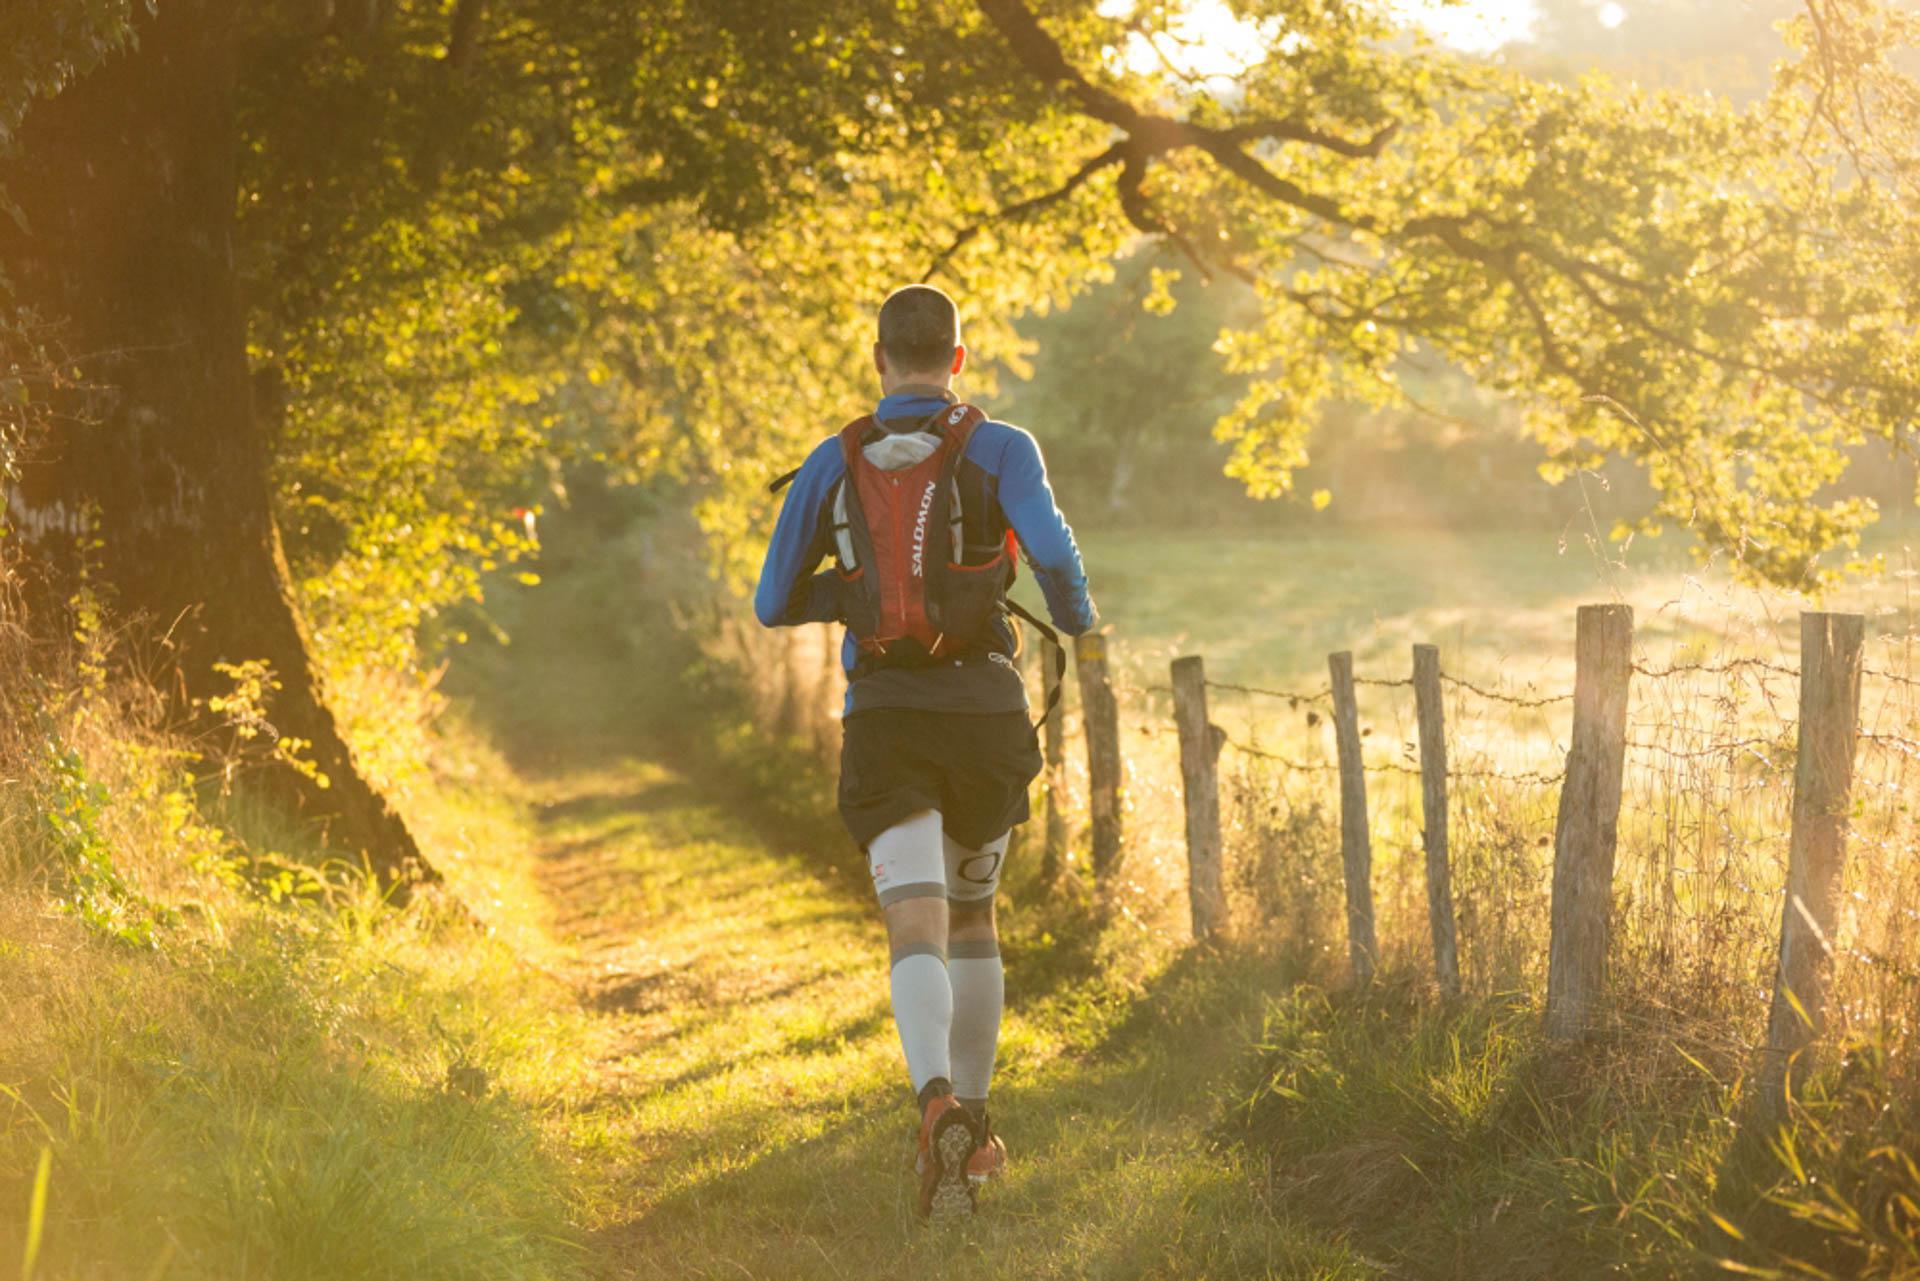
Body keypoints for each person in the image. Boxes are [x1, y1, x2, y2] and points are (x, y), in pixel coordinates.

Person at [753, 284, 1096, 1224]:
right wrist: (1077, 618)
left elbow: (773, 602)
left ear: (879, 359)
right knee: (974, 918)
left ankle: (933, 1101)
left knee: (916, 925)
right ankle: (975, 1129)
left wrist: (850, 598)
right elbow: (1056, 558)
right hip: (986, 713)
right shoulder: (1002, 446)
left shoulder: (832, 461)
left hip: (887, 716)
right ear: (957, 358)